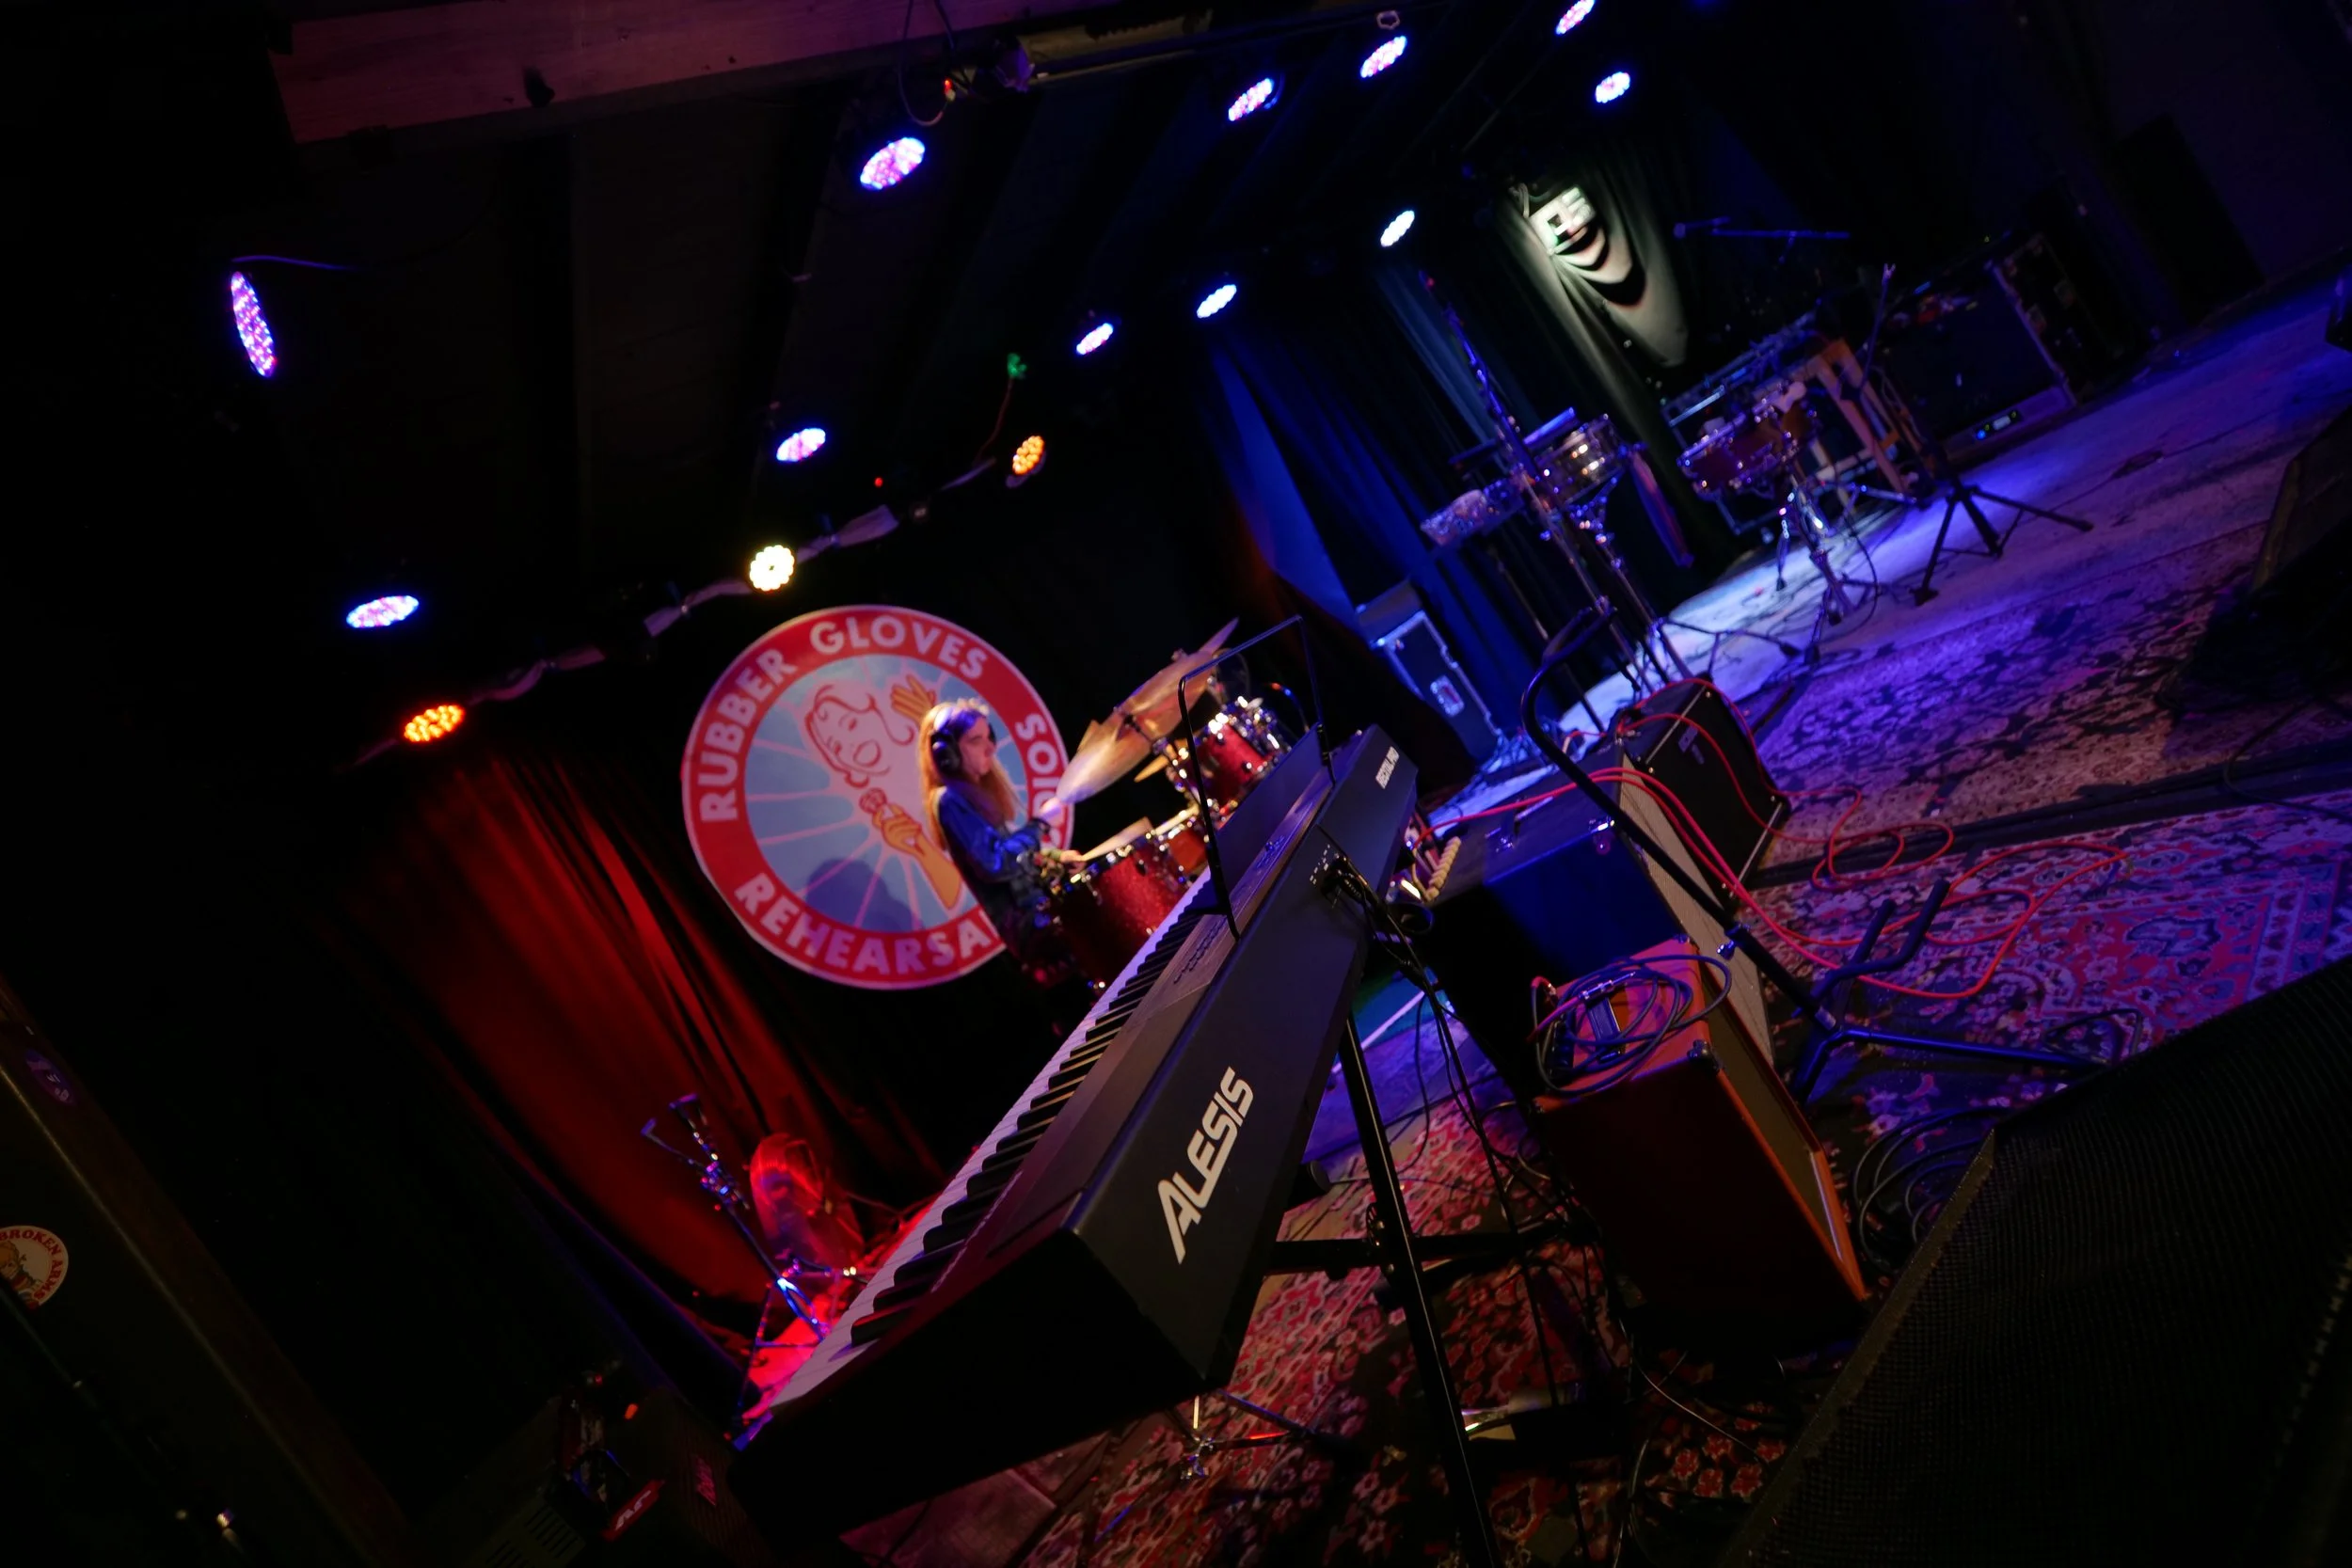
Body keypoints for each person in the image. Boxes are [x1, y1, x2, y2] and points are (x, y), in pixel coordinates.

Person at [917, 699, 1075, 970]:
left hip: (1041, 916)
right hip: (1032, 928)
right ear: (948, 754)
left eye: (988, 737)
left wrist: (1051, 857)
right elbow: (996, 863)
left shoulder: (971, 796)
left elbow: (1010, 854)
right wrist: (1040, 824)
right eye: (976, 740)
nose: (991, 747)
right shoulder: (949, 801)